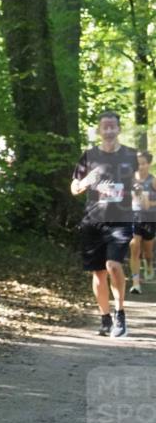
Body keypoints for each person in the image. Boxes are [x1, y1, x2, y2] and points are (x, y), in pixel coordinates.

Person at [70, 111, 137, 337]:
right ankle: (105, 317)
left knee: (113, 266)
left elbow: (142, 185)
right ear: (99, 130)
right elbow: (74, 188)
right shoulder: (89, 156)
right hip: (93, 221)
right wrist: (87, 182)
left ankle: (120, 314)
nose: (108, 131)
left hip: (121, 220)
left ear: (118, 129)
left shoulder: (131, 155)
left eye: (112, 127)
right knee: (98, 274)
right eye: (104, 127)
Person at [129, 150, 155, 294]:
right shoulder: (131, 179)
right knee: (134, 245)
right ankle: (136, 283)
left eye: (143, 164)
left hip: (150, 218)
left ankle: (149, 264)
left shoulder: (153, 180)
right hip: (134, 216)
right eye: (138, 164)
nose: (140, 167)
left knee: (147, 251)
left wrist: (149, 203)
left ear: (149, 164)